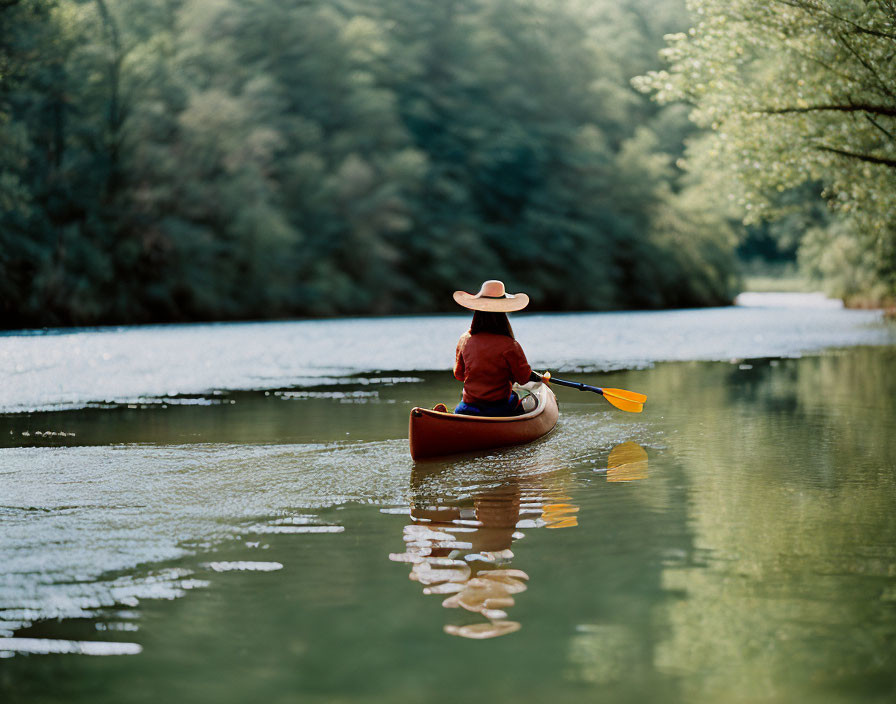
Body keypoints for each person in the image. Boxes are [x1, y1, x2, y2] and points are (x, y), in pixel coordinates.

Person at [451, 280, 542, 416]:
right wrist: (532, 376)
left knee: (461, 405)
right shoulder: (510, 345)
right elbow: (523, 378)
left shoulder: (465, 339)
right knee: (515, 398)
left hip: (467, 407)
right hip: (498, 408)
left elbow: (459, 375)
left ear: (477, 312)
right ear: (502, 315)